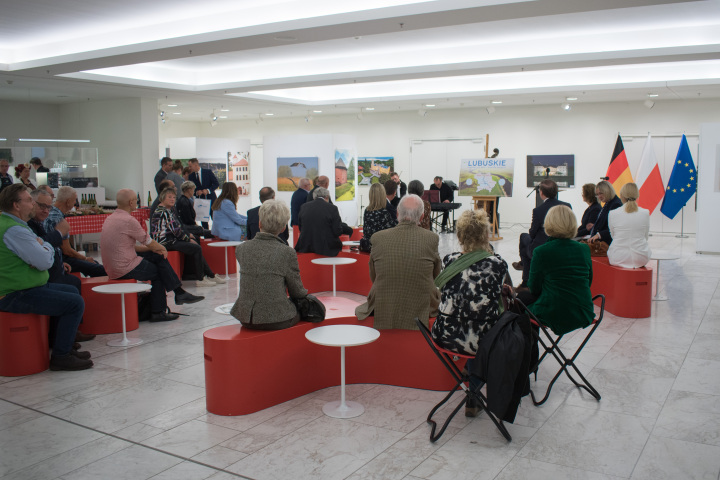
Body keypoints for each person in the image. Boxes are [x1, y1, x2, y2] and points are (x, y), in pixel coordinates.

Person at [0, 184, 92, 371]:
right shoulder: (14, 230)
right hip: (15, 292)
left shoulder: (11, 224)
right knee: (74, 302)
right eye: (28, 200)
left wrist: (42, 248)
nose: (33, 204)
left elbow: (38, 256)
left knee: (71, 289)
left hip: (23, 286)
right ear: (16, 205)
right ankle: (61, 356)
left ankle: (62, 344)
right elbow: (44, 261)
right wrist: (47, 247)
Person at [101, 189, 203, 322]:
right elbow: (148, 241)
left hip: (113, 264)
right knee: (158, 272)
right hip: (124, 266)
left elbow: (128, 246)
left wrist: (155, 250)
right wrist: (161, 248)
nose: (137, 203)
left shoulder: (111, 218)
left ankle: (179, 293)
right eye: (136, 200)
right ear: (131, 202)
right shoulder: (128, 220)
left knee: (157, 257)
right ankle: (158, 311)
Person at [355, 194, 441, 330]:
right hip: (422, 303)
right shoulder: (431, 238)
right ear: (421, 217)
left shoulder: (378, 238)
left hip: (383, 302)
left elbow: (374, 275)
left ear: (397, 214)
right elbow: (436, 274)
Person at [431, 209, 509, 355]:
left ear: (460, 236)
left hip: (444, 335)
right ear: (486, 235)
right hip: (484, 341)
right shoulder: (498, 265)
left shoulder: (450, 260)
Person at [231, 200, 309, 330]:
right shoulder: (287, 252)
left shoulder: (241, 249)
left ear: (259, 223)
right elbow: (297, 291)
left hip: (246, 317)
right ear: (283, 228)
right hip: (276, 318)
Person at [523, 205, 594, 336]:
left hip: (555, 312)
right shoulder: (584, 249)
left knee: (520, 302)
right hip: (583, 311)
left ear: (548, 223)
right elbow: (588, 281)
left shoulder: (541, 252)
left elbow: (534, 288)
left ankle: (529, 352)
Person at [151, 188, 223, 286]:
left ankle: (210, 275)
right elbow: (176, 231)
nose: (172, 199)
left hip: (169, 240)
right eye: (169, 197)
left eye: (174, 197)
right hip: (165, 242)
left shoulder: (164, 209)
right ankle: (201, 279)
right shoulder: (164, 212)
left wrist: (188, 236)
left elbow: (176, 228)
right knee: (196, 247)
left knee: (194, 244)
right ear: (163, 198)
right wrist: (188, 238)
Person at [513, 179, 570, 288]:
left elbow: (533, 233)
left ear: (541, 193)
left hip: (543, 247)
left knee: (524, 243)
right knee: (525, 240)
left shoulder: (538, 210)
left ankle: (525, 277)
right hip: (562, 243)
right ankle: (523, 265)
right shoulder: (567, 206)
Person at [43, 186, 107, 277]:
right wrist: (85, 258)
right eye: (74, 200)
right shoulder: (58, 218)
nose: (75, 203)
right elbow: (67, 251)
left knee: (94, 264)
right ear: (68, 201)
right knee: (100, 269)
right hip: (59, 258)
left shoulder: (50, 212)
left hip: (53, 256)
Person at [295, 187, 350, 257]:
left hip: (305, 246)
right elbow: (337, 231)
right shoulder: (332, 208)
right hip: (327, 248)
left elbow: (301, 228)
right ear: (327, 196)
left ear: (314, 196)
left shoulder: (304, 206)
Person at [607, 183, 651, 268]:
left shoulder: (612, 213)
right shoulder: (645, 213)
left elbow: (613, 236)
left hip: (617, 257)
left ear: (622, 196)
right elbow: (645, 237)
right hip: (641, 257)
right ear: (637, 195)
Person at [360, 183, 397, 252]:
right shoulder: (384, 212)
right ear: (383, 194)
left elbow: (365, 231)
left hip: (369, 247)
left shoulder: (367, 211)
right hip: (382, 249)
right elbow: (395, 229)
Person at [589, 180, 623, 244]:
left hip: (608, 245)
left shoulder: (616, 204)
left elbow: (615, 228)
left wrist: (599, 235)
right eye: (597, 194)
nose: (599, 196)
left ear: (607, 191)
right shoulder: (608, 203)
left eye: (601, 193)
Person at [189, 158, 219, 229]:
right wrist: (196, 192)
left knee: (215, 219)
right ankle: (207, 237)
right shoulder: (191, 176)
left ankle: (217, 236)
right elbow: (191, 190)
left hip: (211, 200)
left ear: (195, 165)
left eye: (190, 166)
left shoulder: (208, 172)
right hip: (201, 202)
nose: (189, 168)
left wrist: (208, 190)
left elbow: (216, 184)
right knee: (204, 222)